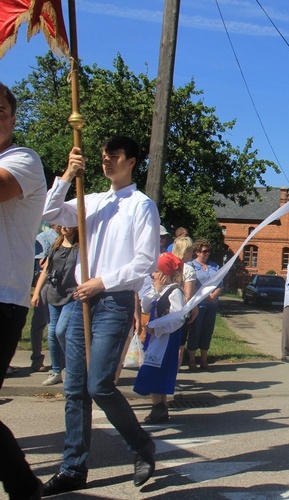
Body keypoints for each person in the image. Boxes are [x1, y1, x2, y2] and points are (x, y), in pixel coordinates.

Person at [41, 135, 160, 494]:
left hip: (112, 301)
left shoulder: (141, 205)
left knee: (99, 386)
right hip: (82, 302)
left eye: (115, 156)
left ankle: (141, 446)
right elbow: (47, 214)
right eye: (104, 156)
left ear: (132, 161)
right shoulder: (90, 201)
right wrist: (66, 175)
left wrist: (102, 281)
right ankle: (73, 468)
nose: (107, 161)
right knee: (74, 388)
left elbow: (145, 262)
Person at [0, 81, 46, 499]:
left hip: (2, 298)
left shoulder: (23, 160)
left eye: (0, 111)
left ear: (13, 119)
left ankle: (22, 486)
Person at [134, 253, 188, 424]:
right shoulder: (159, 290)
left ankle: (158, 408)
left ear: (165, 274)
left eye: (156, 271)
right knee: (154, 371)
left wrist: (158, 329)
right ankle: (161, 407)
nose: (153, 275)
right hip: (156, 339)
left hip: (165, 340)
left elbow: (178, 318)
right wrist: (155, 290)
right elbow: (146, 306)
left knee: (153, 372)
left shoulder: (175, 292)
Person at [31, 225, 80, 387]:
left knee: (61, 330)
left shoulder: (80, 247)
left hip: (71, 296)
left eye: (68, 224)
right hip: (53, 295)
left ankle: (72, 366)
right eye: (62, 224)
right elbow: (46, 270)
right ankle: (57, 371)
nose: (63, 227)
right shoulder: (56, 246)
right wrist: (37, 292)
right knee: (52, 333)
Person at [29, 223, 60, 372]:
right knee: (40, 323)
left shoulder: (73, 238)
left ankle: (61, 361)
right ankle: (36, 358)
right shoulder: (43, 238)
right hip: (46, 284)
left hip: (65, 285)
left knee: (60, 326)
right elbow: (42, 264)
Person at [187, 239, 222, 371]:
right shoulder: (191, 265)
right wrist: (205, 295)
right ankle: (191, 360)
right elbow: (191, 284)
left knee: (207, 332)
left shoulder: (214, 266)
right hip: (198, 305)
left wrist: (214, 295)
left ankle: (204, 360)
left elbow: (220, 283)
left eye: (208, 251)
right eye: (204, 251)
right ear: (197, 252)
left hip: (212, 305)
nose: (207, 254)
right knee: (195, 331)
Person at [172, 236, 197, 367]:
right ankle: (172, 377)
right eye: (191, 250)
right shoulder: (188, 269)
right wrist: (194, 309)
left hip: (164, 311)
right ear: (185, 251)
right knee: (179, 346)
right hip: (180, 312)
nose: (192, 253)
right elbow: (188, 296)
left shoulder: (166, 264)